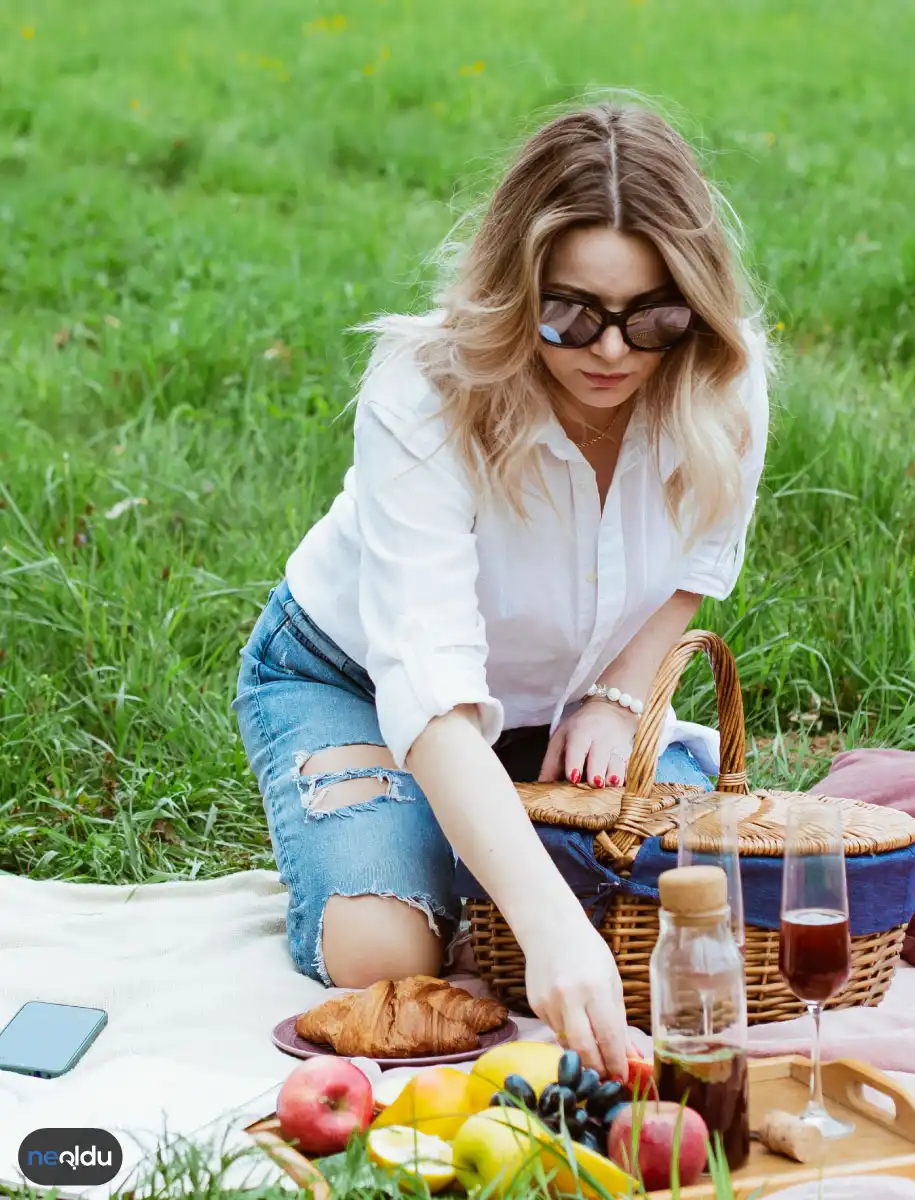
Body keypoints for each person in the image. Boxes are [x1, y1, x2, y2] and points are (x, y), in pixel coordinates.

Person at [234, 101, 770, 1081]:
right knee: (387, 956)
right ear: (510, 288)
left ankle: (476, 838)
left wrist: (618, 693)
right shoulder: (424, 393)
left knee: (709, 905)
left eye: (651, 316)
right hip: (351, 677)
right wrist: (548, 922)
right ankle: (438, 837)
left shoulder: (722, 380)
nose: (612, 352)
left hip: (564, 705)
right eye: (570, 313)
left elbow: (699, 568)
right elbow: (430, 689)